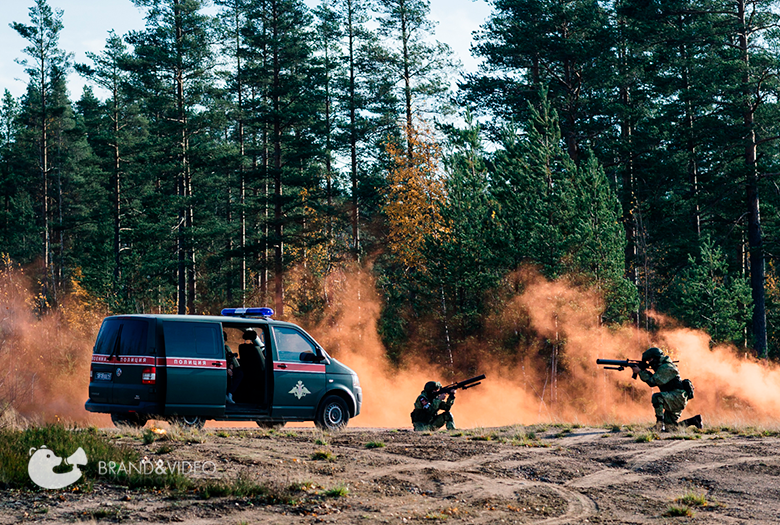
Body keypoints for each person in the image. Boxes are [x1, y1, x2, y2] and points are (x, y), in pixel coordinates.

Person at [630, 347, 701, 431]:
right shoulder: (662, 367)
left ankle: (659, 425)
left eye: (650, 360)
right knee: (670, 428)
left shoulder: (667, 367)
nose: (649, 362)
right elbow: (653, 378)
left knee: (657, 397)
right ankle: (694, 420)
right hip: (676, 398)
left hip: (677, 397)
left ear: (656, 358)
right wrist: (643, 371)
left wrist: (640, 372)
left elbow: (652, 382)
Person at [224, 331, 243, 404]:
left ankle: (230, 393)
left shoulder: (226, 348)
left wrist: (231, 365)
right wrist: (226, 369)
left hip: (227, 367)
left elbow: (229, 357)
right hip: (222, 368)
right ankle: (228, 394)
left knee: (239, 372)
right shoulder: (216, 348)